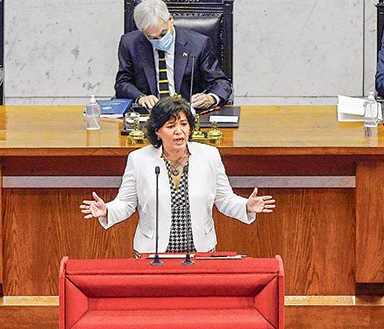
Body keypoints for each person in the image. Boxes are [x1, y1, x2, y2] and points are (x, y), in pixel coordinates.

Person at [80, 96, 275, 254]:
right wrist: (107, 210)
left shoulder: (209, 156)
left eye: (183, 124)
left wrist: (246, 206)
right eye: (171, 126)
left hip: (200, 252)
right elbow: (127, 203)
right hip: (153, 253)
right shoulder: (138, 159)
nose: (179, 131)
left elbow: (224, 199)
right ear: (157, 131)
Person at [114, 0, 233, 110]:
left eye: (163, 33)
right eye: (152, 37)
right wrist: (140, 97)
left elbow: (221, 83)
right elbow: (122, 83)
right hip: (151, 115)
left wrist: (211, 98)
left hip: (188, 115)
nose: (159, 40)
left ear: (170, 19)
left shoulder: (198, 44)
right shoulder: (130, 43)